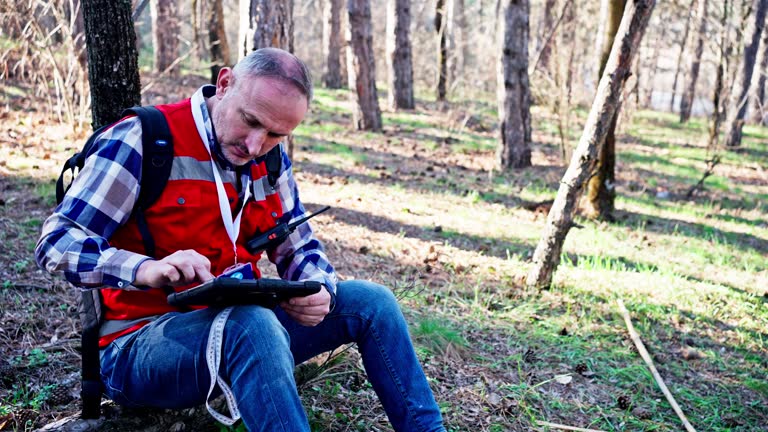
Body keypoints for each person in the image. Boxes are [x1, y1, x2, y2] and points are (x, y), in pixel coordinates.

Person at [36, 47, 446, 432]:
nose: (255, 145)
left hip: (244, 328)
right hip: (139, 344)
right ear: (226, 82)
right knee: (252, 324)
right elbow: (57, 242)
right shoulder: (143, 140)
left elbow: (299, 246)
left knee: (372, 303)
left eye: (274, 135)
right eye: (250, 121)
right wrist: (145, 269)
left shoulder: (267, 157)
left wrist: (317, 286)